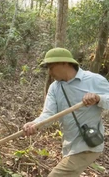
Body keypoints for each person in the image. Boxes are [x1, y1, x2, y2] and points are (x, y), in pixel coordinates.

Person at [22, 47, 109, 177]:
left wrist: (98, 98)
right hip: (69, 146)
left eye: (51, 67)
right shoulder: (54, 88)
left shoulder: (94, 80)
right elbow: (48, 114)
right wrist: (34, 124)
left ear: (65, 63)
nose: (49, 72)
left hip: (88, 145)